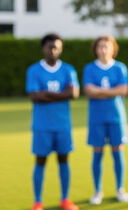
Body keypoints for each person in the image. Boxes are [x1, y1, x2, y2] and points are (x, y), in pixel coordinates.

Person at [26, 33, 80, 210]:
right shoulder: (34, 70)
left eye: (57, 47)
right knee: (40, 161)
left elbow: (74, 94)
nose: (53, 51)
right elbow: (35, 96)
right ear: (43, 48)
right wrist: (62, 94)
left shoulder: (68, 69)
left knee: (63, 160)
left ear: (61, 49)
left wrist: (47, 94)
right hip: (42, 125)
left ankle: (65, 199)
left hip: (63, 125)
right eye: (50, 47)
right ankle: (38, 202)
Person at [82, 35, 128, 204]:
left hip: (116, 117)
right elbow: (88, 90)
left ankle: (120, 189)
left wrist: (100, 92)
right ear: (95, 49)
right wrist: (112, 91)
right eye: (100, 47)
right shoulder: (89, 68)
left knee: (118, 153)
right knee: (97, 155)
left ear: (113, 49)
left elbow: (124, 90)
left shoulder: (120, 68)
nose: (103, 50)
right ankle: (97, 191)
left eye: (107, 47)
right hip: (97, 118)